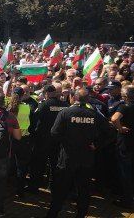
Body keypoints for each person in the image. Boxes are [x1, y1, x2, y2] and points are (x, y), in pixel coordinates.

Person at [45, 88, 112, 218]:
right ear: (88, 99)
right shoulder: (93, 114)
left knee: (61, 188)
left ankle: (52, 214)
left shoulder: (66, 112)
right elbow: (109, 131)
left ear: (73, 98)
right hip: (86, 157)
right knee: (83, 189)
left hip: (67, 157)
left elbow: (54, 133)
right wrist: (97, 144)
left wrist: (66, 141)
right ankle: (81, 214)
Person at [29, 85, 68, 192]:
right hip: (58, 140)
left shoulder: (43, 105)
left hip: (43, 139)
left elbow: (35, 121)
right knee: (55, 163)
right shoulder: (65, 105)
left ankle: (35, 186)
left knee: (38, 163)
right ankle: (53, 186)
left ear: (46, 93)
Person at [8, 86, 35, 196]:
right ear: (23, 95)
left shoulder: (8, 108)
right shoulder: (27, 107)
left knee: (9, 164)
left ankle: (7, 187)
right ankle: (20, 190)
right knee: (22, 166)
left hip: (11, 138)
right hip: (24, 139)